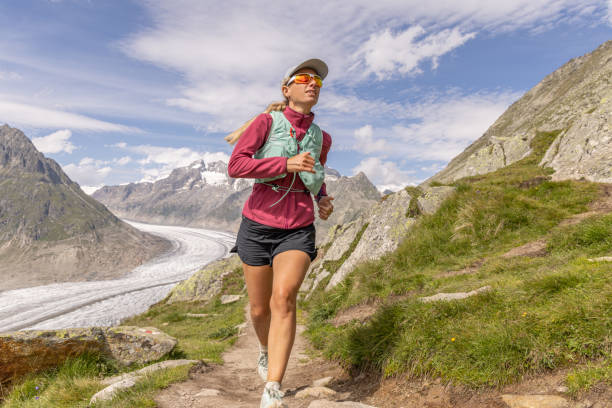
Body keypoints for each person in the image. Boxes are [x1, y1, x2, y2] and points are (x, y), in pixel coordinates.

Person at [227, 58, 334, 408]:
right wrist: (283, 164)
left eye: (317, 81)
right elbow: (236, 165)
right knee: (260, 310)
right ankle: (263, 347)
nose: (313, 83)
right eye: (305, 78)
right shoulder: (265, 122)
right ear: (287, 90)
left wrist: (322, 198)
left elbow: (313, 173)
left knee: (284, 298)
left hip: (298, 228)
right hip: (257, 225)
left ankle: (273, 386)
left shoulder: (322, 137)